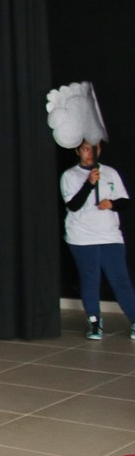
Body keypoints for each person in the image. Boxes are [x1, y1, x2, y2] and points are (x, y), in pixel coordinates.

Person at [60, 140, 135, 339]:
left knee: (120, 279)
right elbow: (73, 205)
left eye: (95, 149)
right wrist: (89, 183)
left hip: (110, 235)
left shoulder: (110, 173)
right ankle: (94, 322)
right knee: (90, 279)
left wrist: (112, 204)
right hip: (82, 237)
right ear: (78, 151)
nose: (90, 153)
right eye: (86, 149)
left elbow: (124, 200)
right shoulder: (70, 175)